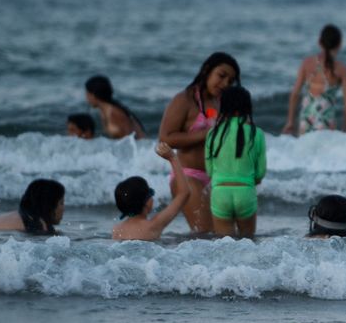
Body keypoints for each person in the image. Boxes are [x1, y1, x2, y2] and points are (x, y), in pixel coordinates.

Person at [158, 52, 241, 233]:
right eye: (221, 76)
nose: (225, 83)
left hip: (215, 177)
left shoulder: (220, 102)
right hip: (188, 176)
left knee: (226, 236)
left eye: (231, 80)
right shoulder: (184, 100)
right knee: (204, 236)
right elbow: (165, 139)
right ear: (206, 70)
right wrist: (207, 133)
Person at [205, 86, 267, 238]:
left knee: (224, 247)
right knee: (248, 245)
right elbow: (260, 173)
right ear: (247, 107)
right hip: (245, 192)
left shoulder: (212, 133)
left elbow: (209, 171)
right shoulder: (256, 133)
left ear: (223, 106)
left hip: (220, 193)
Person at [282, 24, 346, 136]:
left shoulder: (307, 63)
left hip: (306, 118)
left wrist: (290, 121)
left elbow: (295, 94)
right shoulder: (341, 70)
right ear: (339, 45)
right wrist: (345, 130)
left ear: (320, 42)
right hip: (326, 120)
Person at [112, 142, 190, 241]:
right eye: (151, 193)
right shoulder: (153, 226)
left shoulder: (116, 230)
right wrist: (173, 158)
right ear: (147, 202)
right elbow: (184, 193)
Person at [0, 179, 66, 235]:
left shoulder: (14, 215)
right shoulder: (38, 225)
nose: (63, 209)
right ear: (49, 205)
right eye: (61, 203)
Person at [84, 75, 146, 139]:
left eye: (87, 94)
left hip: (140, 147)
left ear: (93, 94)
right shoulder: (104, 111)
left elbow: (131, 138)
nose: (86, 98)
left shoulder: (114, 113)